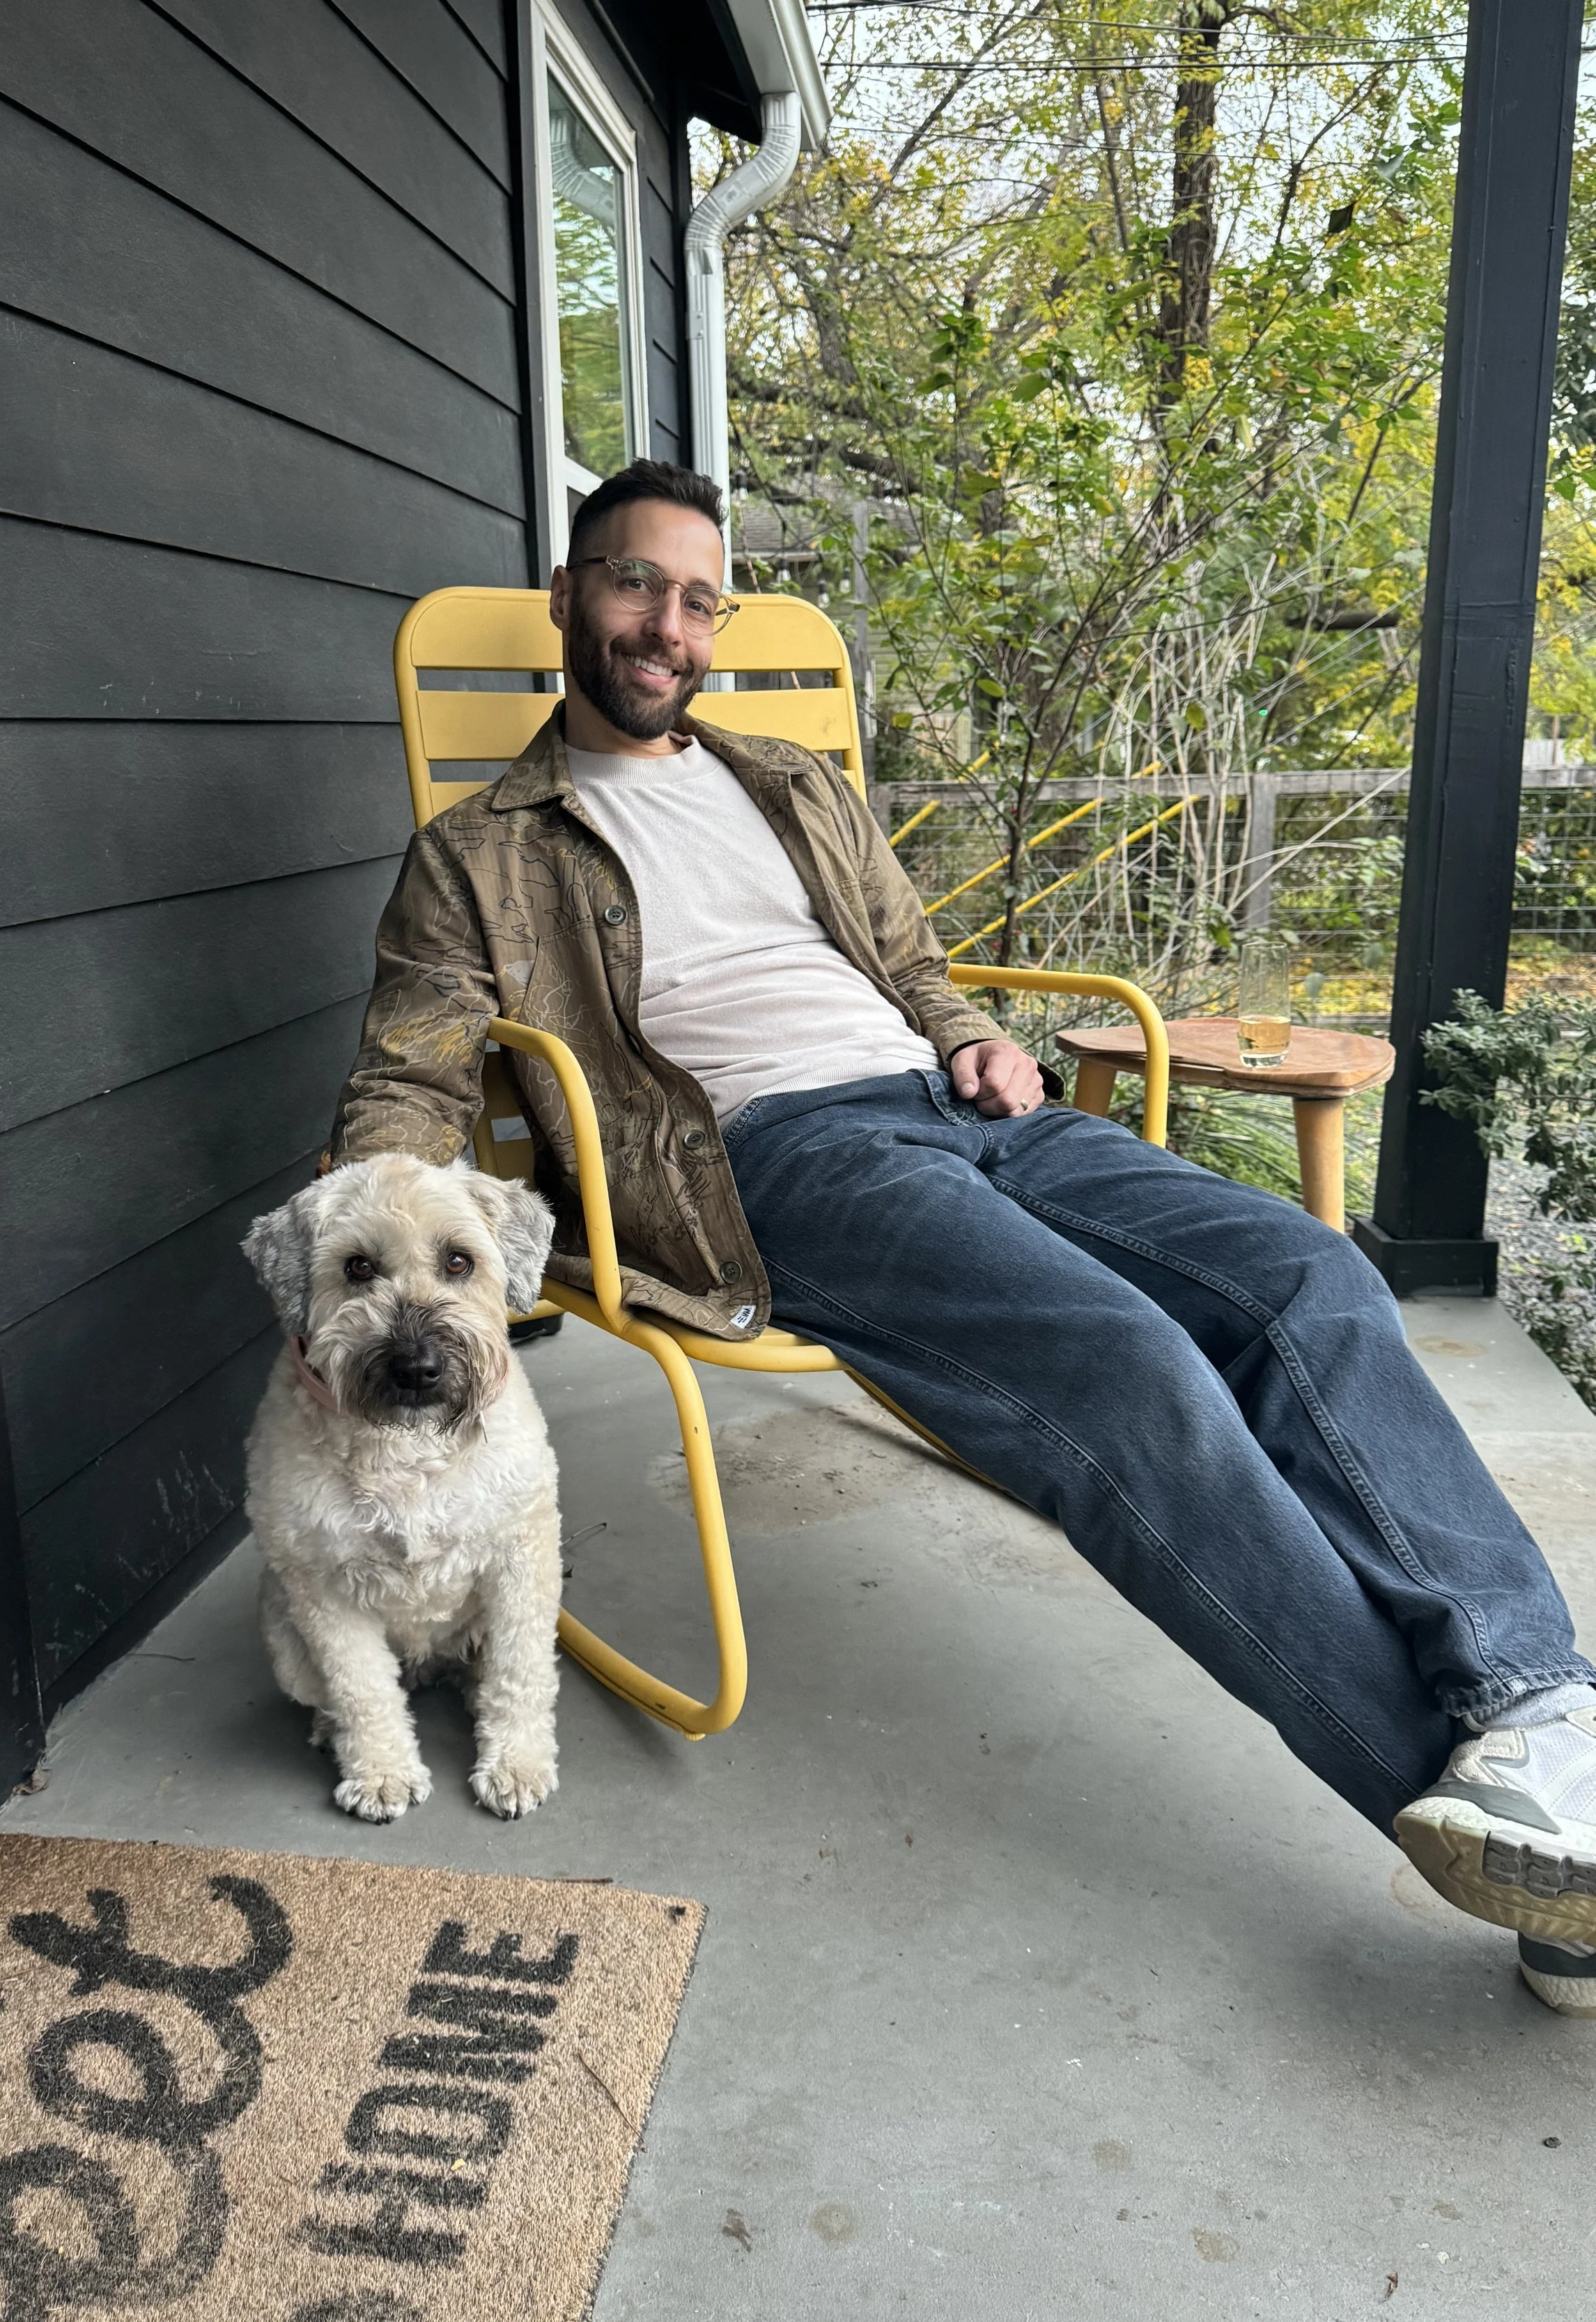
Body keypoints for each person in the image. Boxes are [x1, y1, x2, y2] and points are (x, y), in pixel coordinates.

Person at [330, 459, 1596, 2015]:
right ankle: (1510, 1840)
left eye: (697, 594)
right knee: (1126, 1369)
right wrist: (367, 1250)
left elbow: (909, 961)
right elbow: (411, 1068)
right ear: (566, 600)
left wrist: (971, 1033)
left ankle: (1534, 1707)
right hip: (776, 1160)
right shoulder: (478, 850)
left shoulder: (790, 784)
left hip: (970, 1109)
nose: (667, 622)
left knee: (1310, 1279)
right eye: (632, 583)